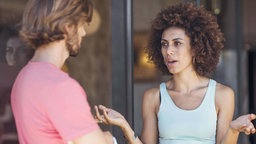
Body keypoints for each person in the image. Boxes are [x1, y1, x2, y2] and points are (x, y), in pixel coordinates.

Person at [94, 3, 256, 144]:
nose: (168, 51)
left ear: (195, 47)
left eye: (177, 43)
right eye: (164, 44)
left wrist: (233, 130)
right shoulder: (153, 97)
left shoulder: (222, 94)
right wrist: (124, 125)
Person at [11, 0, 114, 143]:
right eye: (82, 25)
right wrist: (109, 139)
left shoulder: (23, 77)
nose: (83, 33)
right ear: (68, 27)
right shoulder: (60, 87)